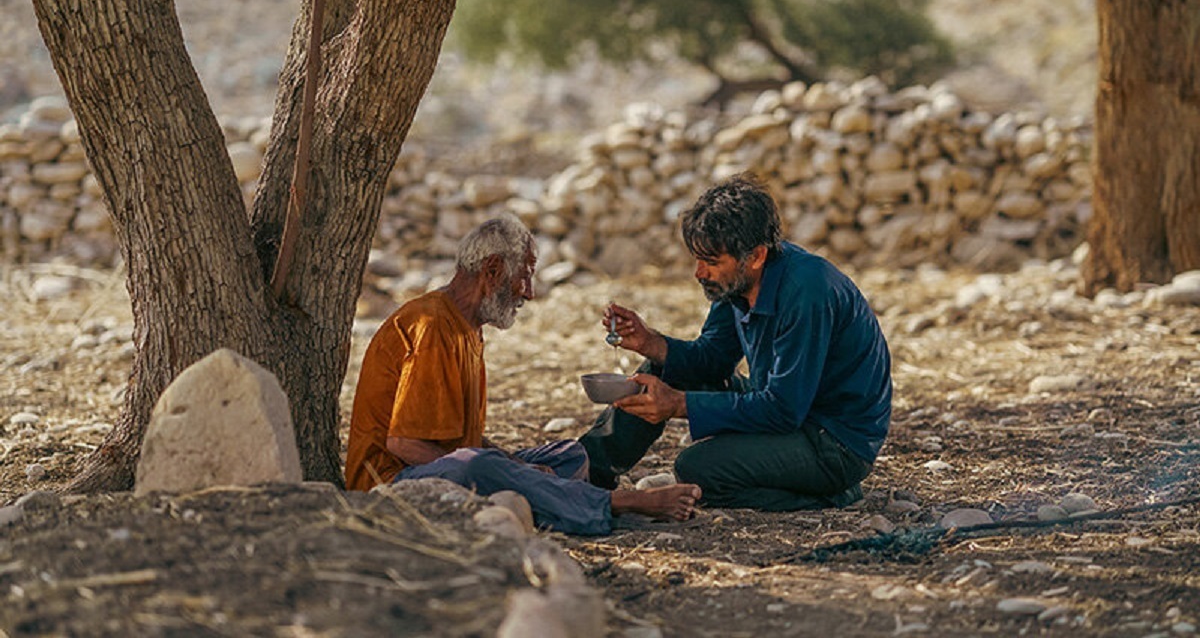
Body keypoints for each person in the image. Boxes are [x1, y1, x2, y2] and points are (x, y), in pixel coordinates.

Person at [344, 213, 701, 535]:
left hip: (452, 466)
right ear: (493, 270)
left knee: (569, 455)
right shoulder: (432, 325)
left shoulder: (467, 326)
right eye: (525, 275)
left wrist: (514, 464)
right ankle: (618, 503)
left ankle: (557, 502)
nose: (529, 292)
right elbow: (403, 444)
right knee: (479, 467)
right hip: (390, 484)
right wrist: (506, 468)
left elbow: (459, 439)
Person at [579, 174, 892, 511]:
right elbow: (712, 358)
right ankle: (586, 472)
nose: (699, 273)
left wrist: (679, 404)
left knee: (698, 470)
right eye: (698, 260)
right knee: (664, 368)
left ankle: (830, 494)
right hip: (788, 409)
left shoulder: (807, 291)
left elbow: (784, 409)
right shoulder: (737, 282)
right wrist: (650, 342)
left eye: (712, 262)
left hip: (833, 442)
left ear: (755, 256)